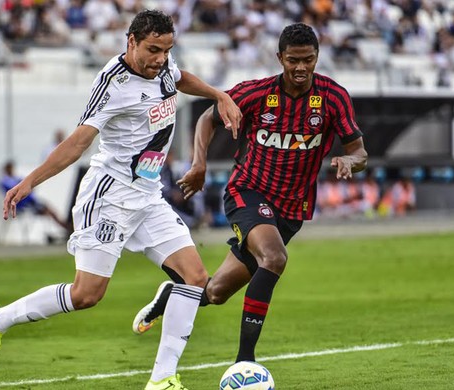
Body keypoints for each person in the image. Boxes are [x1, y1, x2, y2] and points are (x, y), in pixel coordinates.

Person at [0, 10, 242, 390]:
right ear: (130, 41)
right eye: (153, 50)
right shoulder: (112, 84)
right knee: (86, 295)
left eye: (167, 50)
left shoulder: (161, 65)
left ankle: (162, 379)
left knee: (195, 277)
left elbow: (181, 79)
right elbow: (78, 143)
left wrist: (219, 93)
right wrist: (30, 180)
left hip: (147, 196)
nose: (160, 59)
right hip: (109, 196)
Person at [131, 23, 368, 366]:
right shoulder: (257, 93)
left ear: (317, 57)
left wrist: (350, 160)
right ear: (279, 58)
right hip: (248, 192)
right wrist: (199, 164)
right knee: (274, 258)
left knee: (215, 292)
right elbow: (206, 120)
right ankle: (245, 362)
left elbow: (360, 152)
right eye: (293, 60)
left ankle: (174, 292)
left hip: (291, 209)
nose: (301, 68)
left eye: (308, 60)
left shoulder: (333, 97)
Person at [0, 160, 71, 233]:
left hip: (32, 201)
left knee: (50, 210)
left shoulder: (17, 178)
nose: (12, 170)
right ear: (6, 169)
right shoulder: (5, 180)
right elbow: (15, 189)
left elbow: (28, 185)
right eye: (10, 168)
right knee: (49, 211)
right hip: (24, 204)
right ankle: (66, 227)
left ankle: (65, 226)